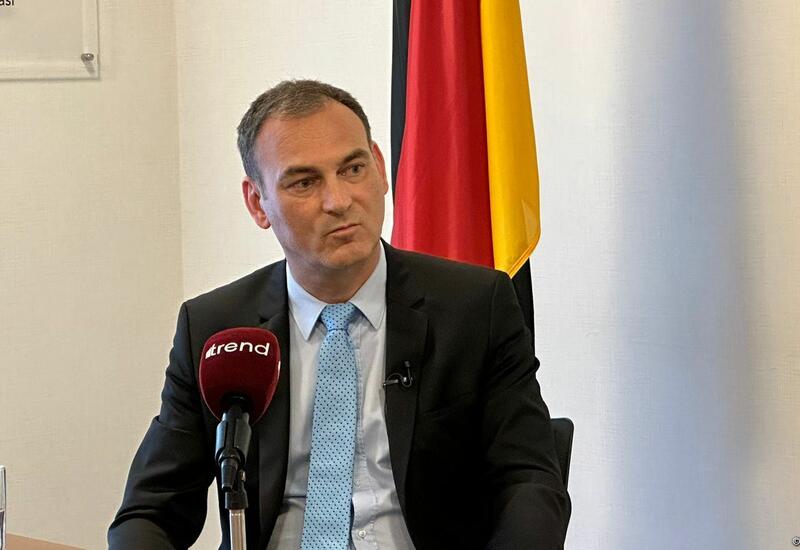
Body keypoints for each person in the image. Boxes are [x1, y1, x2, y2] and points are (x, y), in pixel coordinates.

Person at [109, 80, 570, 549]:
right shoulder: (217, 328)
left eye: (352, 169)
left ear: (380, 169)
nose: (339, 201)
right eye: (304, 182)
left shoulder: (474, 307)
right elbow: (150, 512)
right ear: (257, 203)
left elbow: (530, 481)